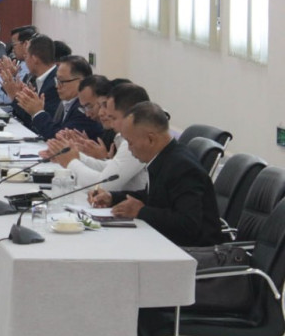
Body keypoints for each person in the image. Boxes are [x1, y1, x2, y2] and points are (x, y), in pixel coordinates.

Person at [89, 101, 224, 248]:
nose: (129, 149)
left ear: (151, 139)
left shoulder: (182, 167)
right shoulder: (165, 157)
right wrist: (113, 197)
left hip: (194, 252)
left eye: (130, 142)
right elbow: (154, 197)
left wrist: (141, 211)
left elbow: (188, 223)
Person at [44, 81, 149, 192]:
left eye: (114, 118)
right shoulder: (124, 136)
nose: (112, 124)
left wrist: (71, 162)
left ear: (131, 115)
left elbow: (104, 185)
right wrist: (74, 156)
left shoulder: (137, 140)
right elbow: (109, 167)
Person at [16, 55, 101, 140]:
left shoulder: (85, 109)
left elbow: (60, 138)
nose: (57, 86)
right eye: (57, 80)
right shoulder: (66, 102)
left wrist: (38, 112)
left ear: (81, 82)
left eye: (62, 81)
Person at [2, 34, 59, 128]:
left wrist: (14, 96)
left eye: (26, 57)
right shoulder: (35, 79)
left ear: (34, 59)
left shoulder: (55, 84)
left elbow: (35, 123)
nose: (25, 61)